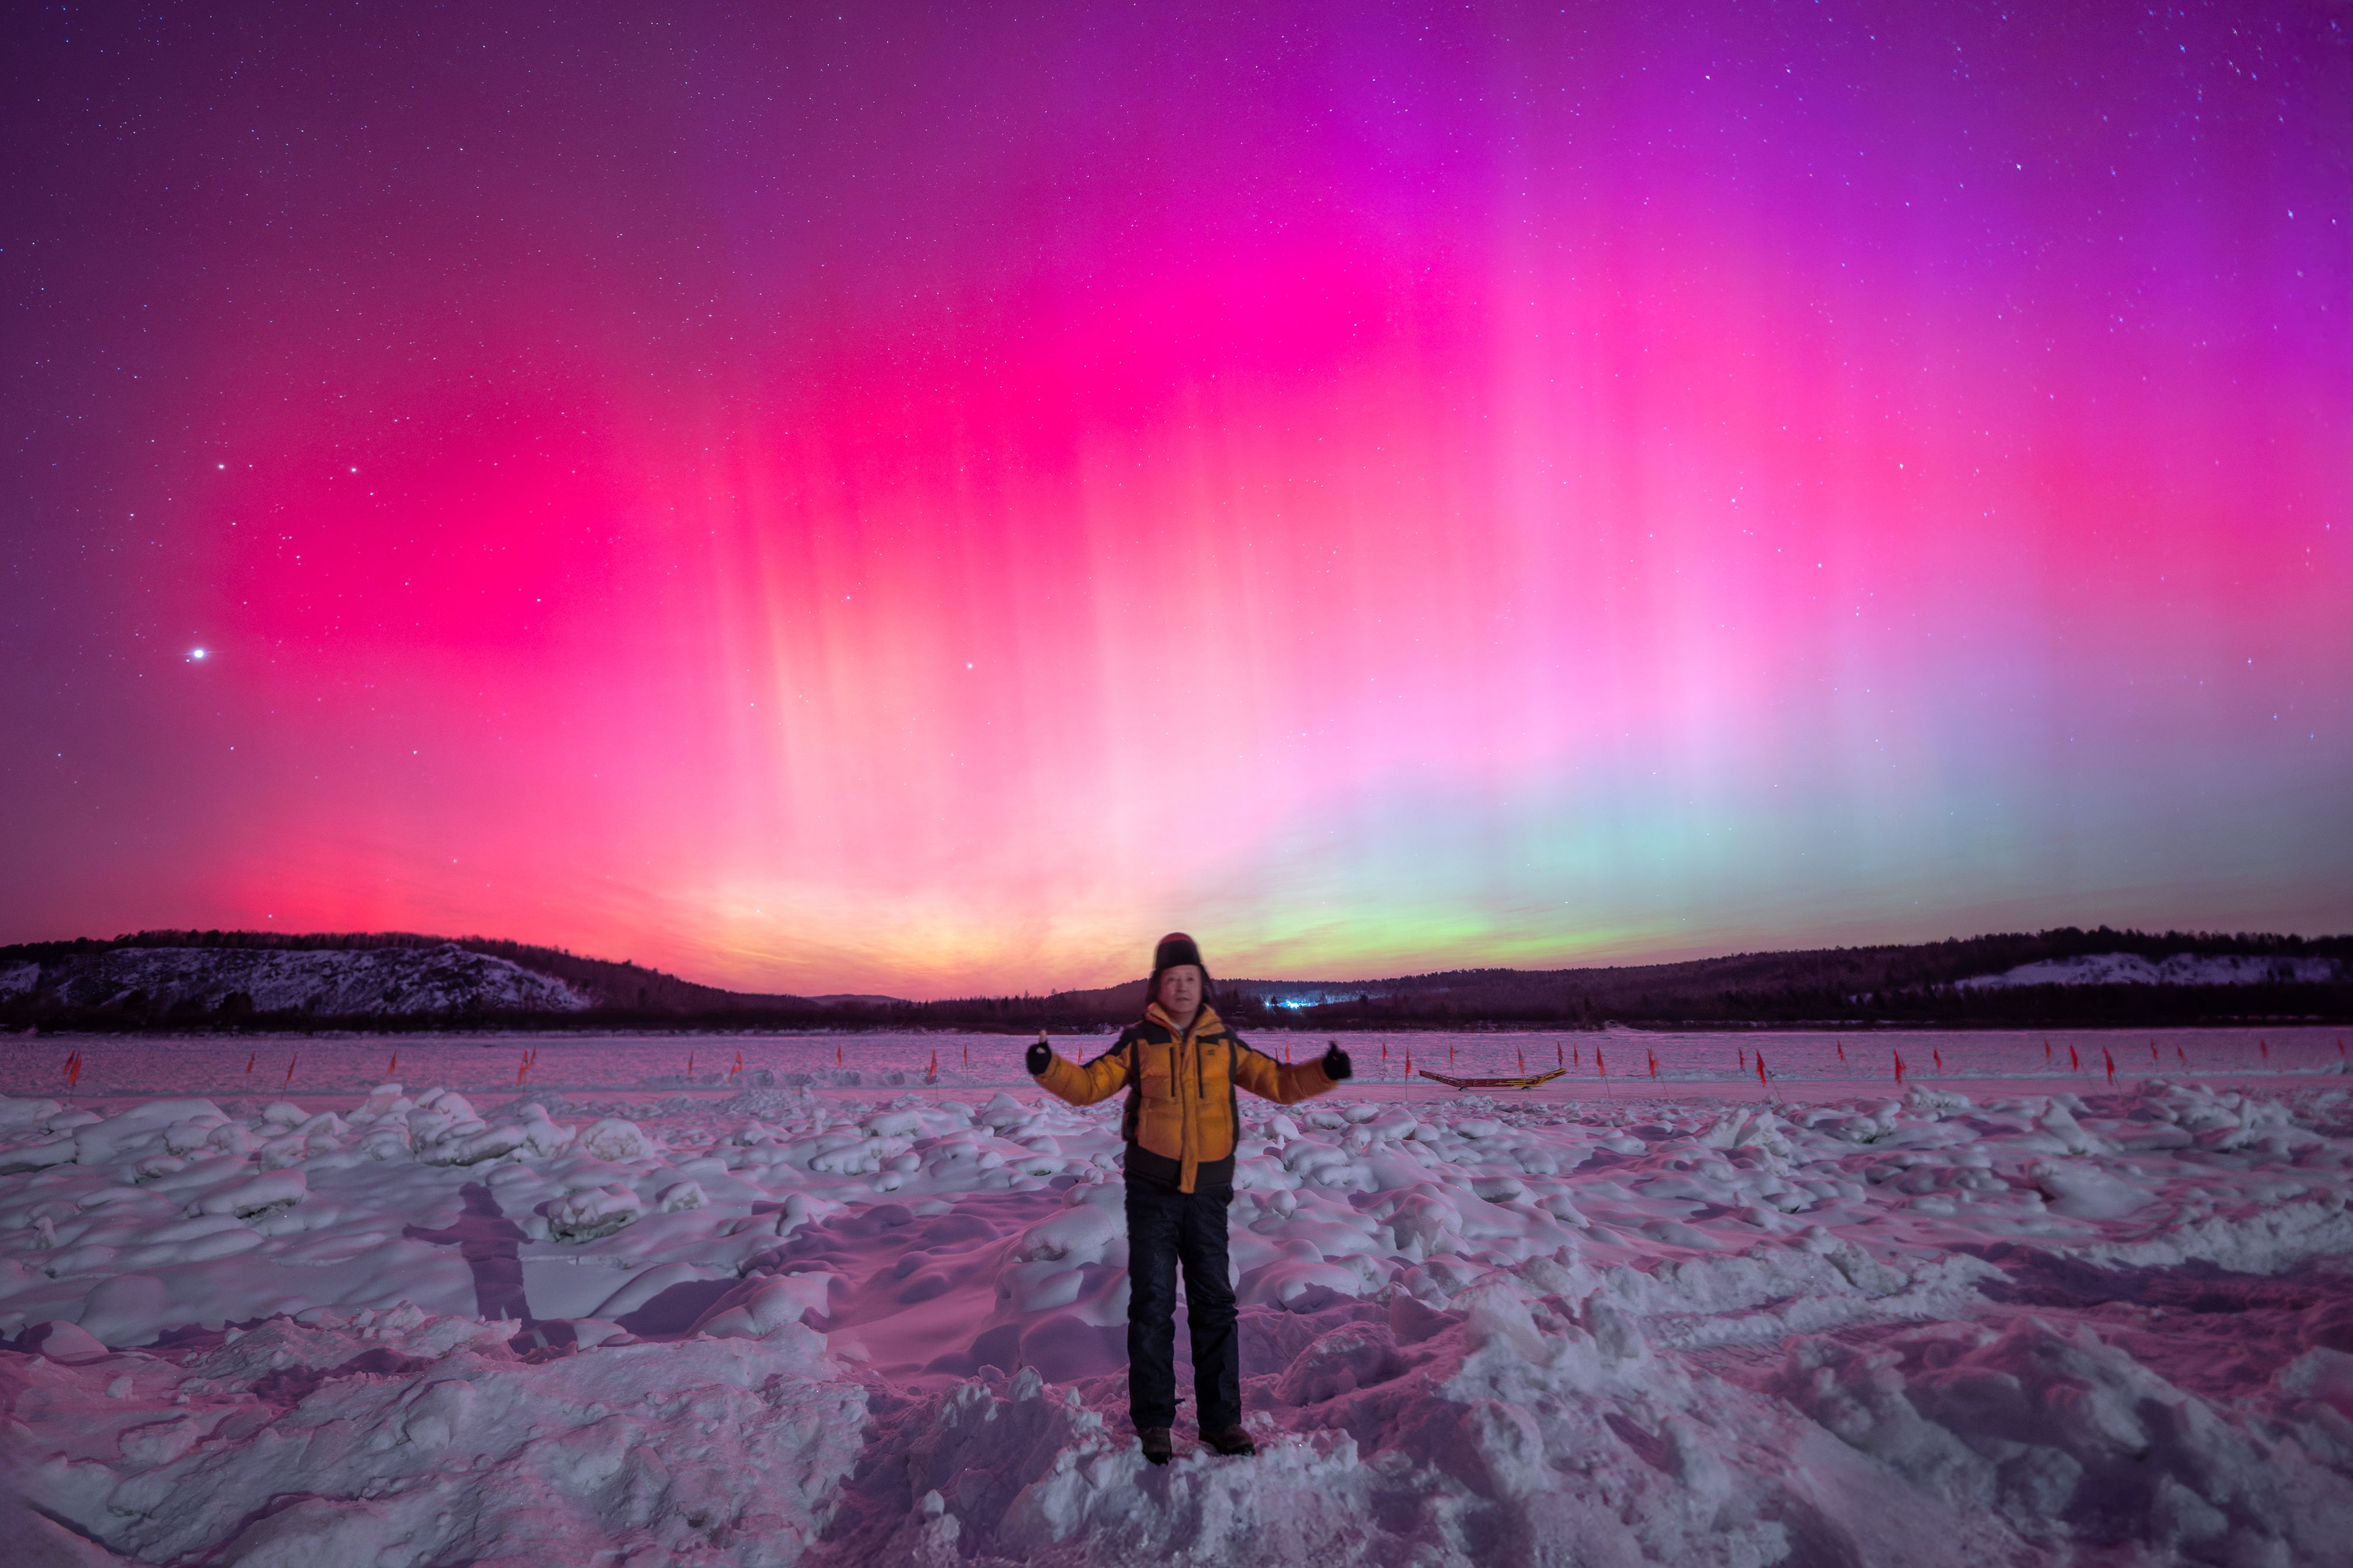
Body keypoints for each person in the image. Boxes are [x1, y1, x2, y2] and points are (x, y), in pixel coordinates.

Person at [1025, 932, 1351, 1464]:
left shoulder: (1223, 1044)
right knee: (1151, 1306)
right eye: (1172, 979)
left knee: (1214, 1306)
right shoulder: (1138, 1041)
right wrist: (1048, 1067)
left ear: (1203, 985)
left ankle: (1222, 1422)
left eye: (1190, 979)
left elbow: (1278, 1082)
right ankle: (1154, 1422)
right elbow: (1089, 1086)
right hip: (1152, 1193)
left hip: (1208, 1195)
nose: (1181, 987)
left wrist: (1325, 1072)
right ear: (1157, 987)